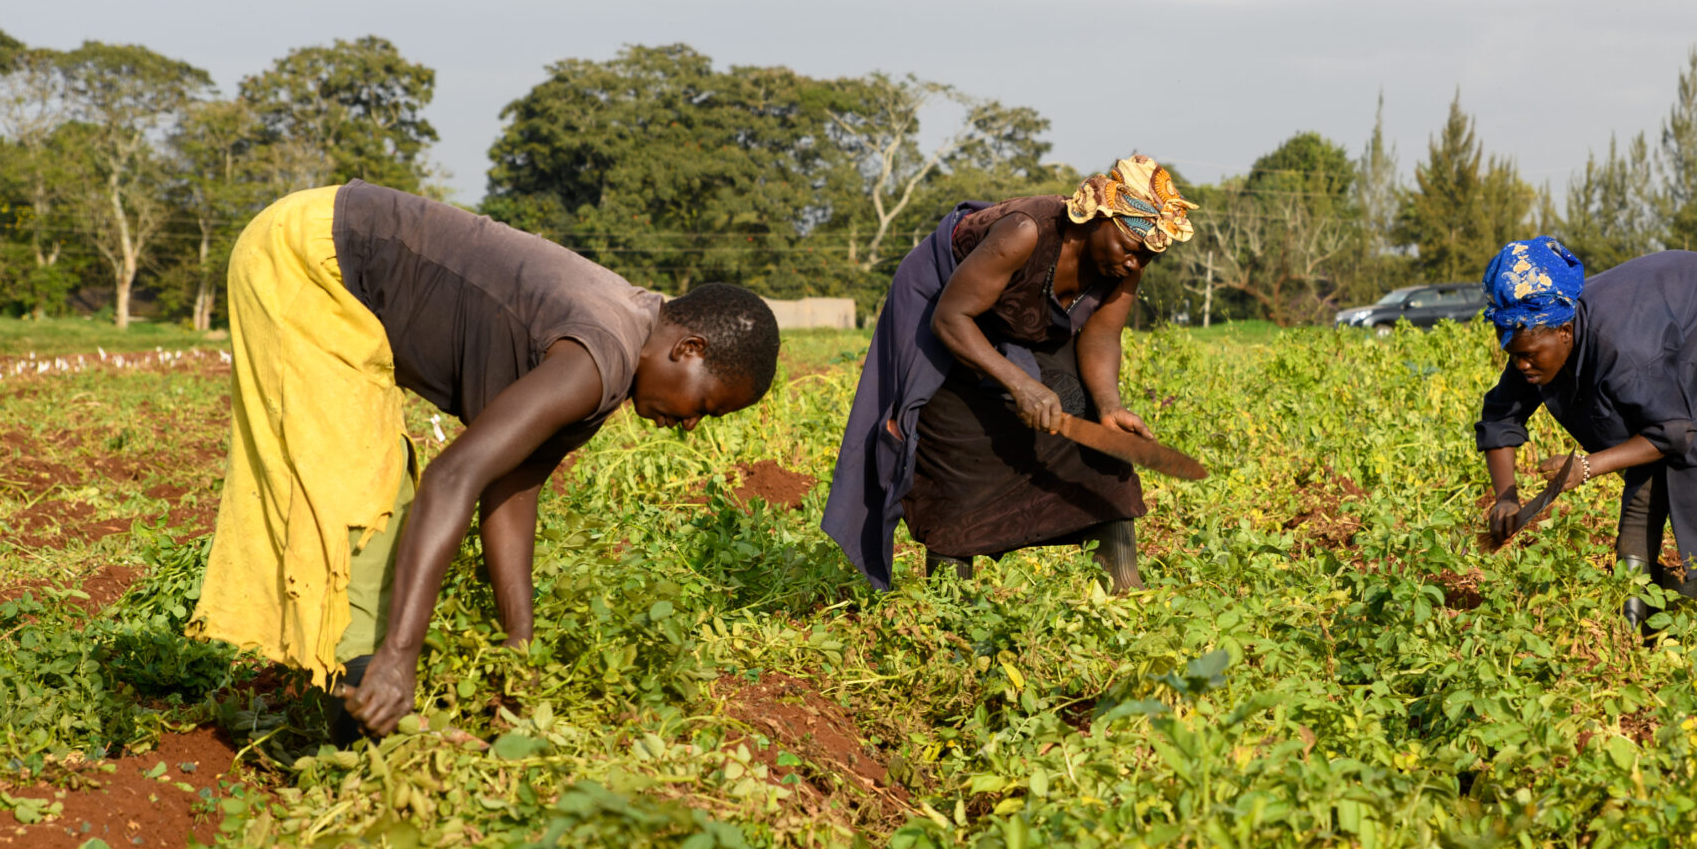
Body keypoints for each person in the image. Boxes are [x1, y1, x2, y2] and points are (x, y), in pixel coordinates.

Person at [190, 183, 779, 737]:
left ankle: (360, 709)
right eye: (704, 404)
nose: (692, 424)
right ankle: (354, 727)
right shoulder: (598, 357)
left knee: (378, 495)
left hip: (328, 248)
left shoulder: (618, 361)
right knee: (364, 504)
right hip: (312, 259)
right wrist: (402, 654)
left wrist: (517, 652)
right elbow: (456, 475)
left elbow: (512, 488)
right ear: (689, 349)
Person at [822, 154, 1195, 592]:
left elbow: (1101, 337)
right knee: (957, 449)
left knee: (1090, 425)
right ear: (1099, 220)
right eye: (1132, 249)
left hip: (1022, 321)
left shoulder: (1124, 265)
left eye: (1148, 256)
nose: (1136, 264)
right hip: (944, 312)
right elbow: (951, 318)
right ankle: (951, 599)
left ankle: (1123, 581)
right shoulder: (1025, 232)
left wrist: (1110, 406)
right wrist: (1021, 384)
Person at [1475, 237, 1697, 628]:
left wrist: (1587, 466)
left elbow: (1671, 433)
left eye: (1530, 355)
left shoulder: (1621, 348)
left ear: (1564, 331)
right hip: (1671, 320)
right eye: (1513, 355)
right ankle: (1634, 622)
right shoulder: (1534, 339)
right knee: (1646, 465)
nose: (1522, 366)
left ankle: (1686, 600)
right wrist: (1506, 498)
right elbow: (1500, 415)